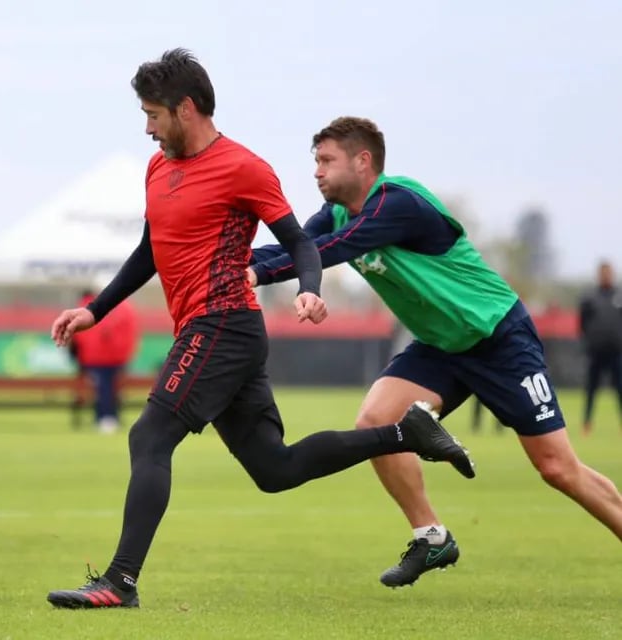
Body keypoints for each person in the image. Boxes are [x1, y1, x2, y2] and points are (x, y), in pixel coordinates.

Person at [45, 50, 475, 609]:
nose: (147, 128)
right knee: (276, 469)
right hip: (214, 331)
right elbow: (151, 249)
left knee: (149, 436)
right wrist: (95, 310)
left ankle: (119, 582)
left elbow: (300, 241)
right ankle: (406, 434)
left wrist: (310, 288)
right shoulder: (158, 169)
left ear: (187, 109)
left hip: (223, 323)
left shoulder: (244, 168)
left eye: (154, 114)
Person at [249, 116, 622, 588]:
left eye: (326, 161)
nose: (317, 172)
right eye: (315, 162)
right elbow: (300, 247)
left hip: (498, 337)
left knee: (557, 469)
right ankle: (432, 537)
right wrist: (228, 263)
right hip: (442, 347)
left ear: (363, 161)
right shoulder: (338, 212)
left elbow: (334, 249)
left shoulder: (397, 203)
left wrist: (258, 276)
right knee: (376, 422)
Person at [72, 286, 140, 433]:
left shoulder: (86, 307)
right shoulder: (125, 307)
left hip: (94, 358)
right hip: (118, 357)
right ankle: (111, 417)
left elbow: (79, 336)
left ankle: (104, 418)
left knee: (102, 389)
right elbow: (131, 333)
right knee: (112, 389)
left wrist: (80, 357)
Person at [578, 260, 622, 435]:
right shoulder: (590, 297)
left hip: (617, 351)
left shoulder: (619, 296)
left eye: (609, 272)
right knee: (591, 389)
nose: (606, 276)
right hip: (596, 352)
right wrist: (590, 341)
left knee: (620, 389)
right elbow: (582, 323)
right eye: (603, 272)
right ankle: (587, 424)